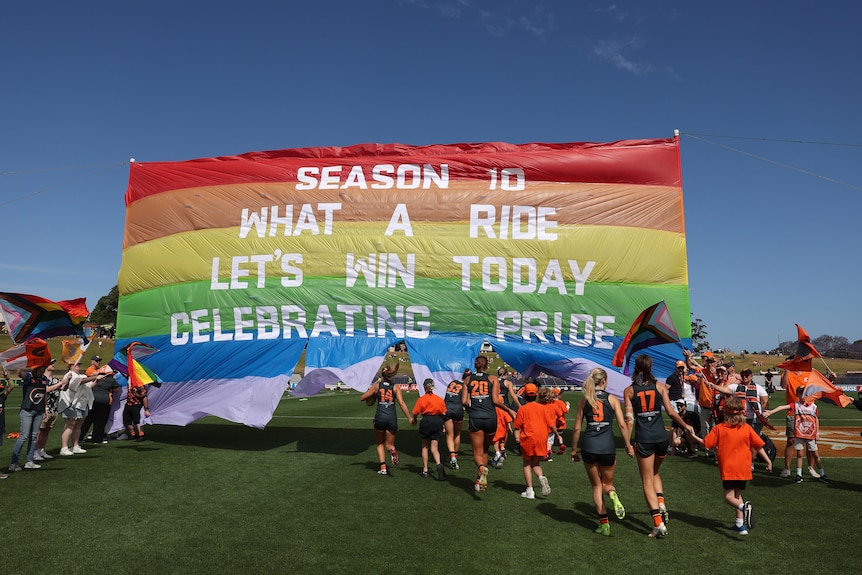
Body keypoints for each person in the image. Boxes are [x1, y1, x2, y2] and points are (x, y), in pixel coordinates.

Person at [623, 354, 697, 539]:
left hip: (644, 439)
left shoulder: (629, 391)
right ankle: (661, 502)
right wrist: (686, 425)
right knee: (655, 473)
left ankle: (658, 524)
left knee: (647, 480)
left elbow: (629, 420)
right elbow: (671, 412)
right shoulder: (659, 387)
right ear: (650, 367)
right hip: (661, 438)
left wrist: (627, 443)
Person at [570, 368, 632, 536]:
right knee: (607, 484)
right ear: (604, 381)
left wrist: (574, 450)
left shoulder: (585, 400)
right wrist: (628, 445)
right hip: (607, 446)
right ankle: (612, 493)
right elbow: (621, 424)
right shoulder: (612, 399)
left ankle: (604, 525)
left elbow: (576, 428)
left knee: (596, 486)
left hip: (589, 446)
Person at [702, 397, 773, 536]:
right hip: (744, 467)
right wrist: (768, 461)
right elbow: (758, 445)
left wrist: (692, 436)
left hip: (729, 467)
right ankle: (740, 525)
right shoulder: (746, 428)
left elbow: (707, 444)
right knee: (737, 494)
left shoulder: (720, 428)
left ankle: (744, 508)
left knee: (728, 497)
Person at [461, 355, 516, 492]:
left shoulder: (468, 380)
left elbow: (463, 402)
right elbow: (496, 401)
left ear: (475, 365)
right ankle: (479, 479)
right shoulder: (493, 379)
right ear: (486, 366)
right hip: (491, 417)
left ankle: (481, 468)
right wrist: (509, 410)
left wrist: (470, 409)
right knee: (485, 449)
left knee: (477, 451)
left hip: (476, 417)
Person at [765, 387, 831, 484]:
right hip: (800, 433)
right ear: (798, 395)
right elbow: (783, 407)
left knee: (815, 454)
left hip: (810, 434)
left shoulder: (813, 406)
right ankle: (798, 474)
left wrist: (817, 432)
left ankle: (822, 473)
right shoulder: (796, 405)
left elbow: (816, 419)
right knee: (799, 454)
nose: (803, 396)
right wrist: (770, 412)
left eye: (805, 394)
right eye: (801, 394)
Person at [359, 363, 412, 475]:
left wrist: (372, 394)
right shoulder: (396, 387)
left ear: (382, 376)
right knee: (389, 445)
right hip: (392, 417)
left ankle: (383, 468)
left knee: (379, 443)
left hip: (380, 417)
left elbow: (362, 398)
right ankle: (392, 450)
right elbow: (402, 403)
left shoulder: (377, 386)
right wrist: (410, 418)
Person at [8, 364, 64, 471]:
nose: (44, 370)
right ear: (37, 368)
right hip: (27, 410)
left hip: (39, 411)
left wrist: (46, 408)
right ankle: (14, 463)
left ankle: (29, 461)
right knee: (24, 436)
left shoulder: (44, 379)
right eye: (42, 368)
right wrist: (20, 362)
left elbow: (44, 394)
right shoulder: (29, 376)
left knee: (34, 436)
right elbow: (20, 373)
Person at [512, 384, 557, 499]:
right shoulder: (543, 408)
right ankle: (541, 477)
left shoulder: (522, 409)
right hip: (541, 438)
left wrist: (517, 439)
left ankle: (530, 490)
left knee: (527, 463)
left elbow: (517, 427)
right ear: (536, 394)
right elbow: (551, 425)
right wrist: (558, 436)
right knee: (536, 463)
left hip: (528, 438)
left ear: (525, 395)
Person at [57, 360, 105, 456]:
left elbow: (89, 386)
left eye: (79, 364)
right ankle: (64, 447)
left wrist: (97, 381)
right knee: (70, 425)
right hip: (71, 403)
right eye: (76, 365)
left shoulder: (82, 376)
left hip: (82, 403)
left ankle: (75, 445)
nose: (78, 366)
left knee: (78, 426)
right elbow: (78, 383)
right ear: (70, 366)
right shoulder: (69, 375)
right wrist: (95, 376)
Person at [411, 378, 447, 481]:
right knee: (435, 447)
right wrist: (443, 425)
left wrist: (414, 420)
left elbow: (415, 412)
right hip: (437, 420)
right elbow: (444, 413)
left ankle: (425, 470)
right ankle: (439, 464)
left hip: (426, 420)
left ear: (424, 387)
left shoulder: (422, 399)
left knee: (425, 446)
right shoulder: (439, 399)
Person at [79, 371, 119, 444]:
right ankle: (96, 439)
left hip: (91, 400)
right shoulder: (111, 380)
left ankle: (79, 437)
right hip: (104, 401)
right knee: (100, 421)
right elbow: (116, 390)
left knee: (87, 420)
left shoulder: (95, 378)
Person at [34, 360, 60, 461]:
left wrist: (66, 382)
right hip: (44, 408)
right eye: (50, 363)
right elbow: (46, 389)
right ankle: (34, 451)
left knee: (47, 430)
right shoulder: (42, 379)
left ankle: (41, 449)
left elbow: (64, 388)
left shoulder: (55, 379)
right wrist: (61, 383)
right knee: (39, 431)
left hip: (54, 407)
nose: (53, 365)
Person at [443, 369, 468, 469]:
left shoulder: (452, 382)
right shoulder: (466, 386)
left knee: (449, 434)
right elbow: (465, 401)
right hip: (458, 409)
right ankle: (455, 457)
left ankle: (452, 456)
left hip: (447, 408)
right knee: (457, 434)